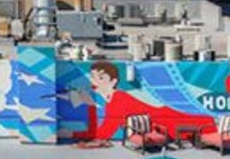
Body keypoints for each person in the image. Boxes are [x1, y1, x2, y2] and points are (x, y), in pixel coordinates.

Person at [74, 60, 215, 142]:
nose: (95, 82)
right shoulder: (113, 99)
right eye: (92, 77)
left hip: (164, 120)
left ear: (113, 81)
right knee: (199, 124)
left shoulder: (118, 99)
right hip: (161, 119)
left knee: (199, 124)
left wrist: (73, 134)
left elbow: (104, 133)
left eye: (101, 78)